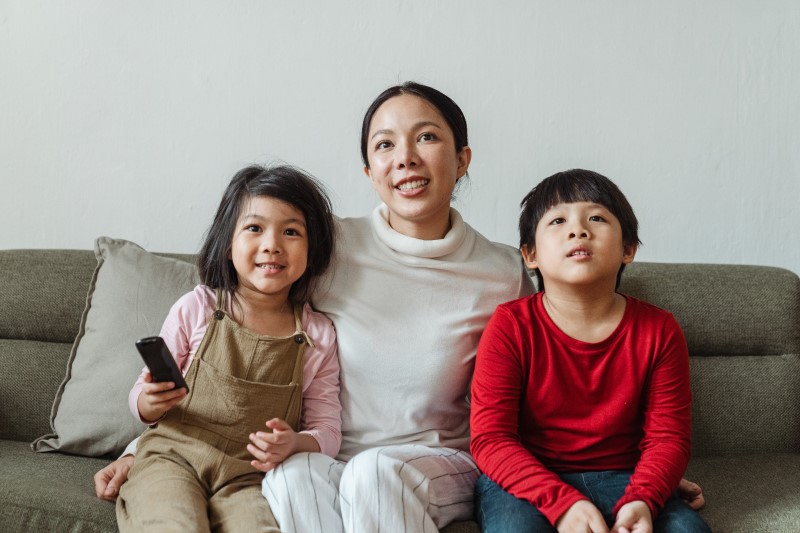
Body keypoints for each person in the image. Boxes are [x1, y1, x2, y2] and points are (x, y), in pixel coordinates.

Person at [94, 83, 704, 530]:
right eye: (385, 145)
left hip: (439, 461)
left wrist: (633, 483)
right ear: (369, 170)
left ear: (462, 159)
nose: (405, 157)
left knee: (377, 473)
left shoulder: (504, 269)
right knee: (288, 476)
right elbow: (227, 338)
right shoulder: (324, 246)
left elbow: (560, 379)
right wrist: (139, 450)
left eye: (427, 138)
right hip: (328, 455)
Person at [470, 169, 711, 533]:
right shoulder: (510, 326)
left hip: (626, 479)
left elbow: (668, 439)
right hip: (527, 482)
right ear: (530, 254)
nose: (578, 230)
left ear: (628, 249)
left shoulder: (659, 330)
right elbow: (491, 439)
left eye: (596, 218)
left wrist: (643, 497)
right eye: (557, 220)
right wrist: (563, 504)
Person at [114, 164, 341, 532]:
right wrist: (147, 402)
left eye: (291, 231)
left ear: (313, 249)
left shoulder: (319, 334)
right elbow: (141, 393)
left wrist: (296, 442)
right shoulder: (197, 307)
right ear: (227, 243)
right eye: (254, 228)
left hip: (248, 480)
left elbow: (328, 431)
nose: (272, 244)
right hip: (172, 458)